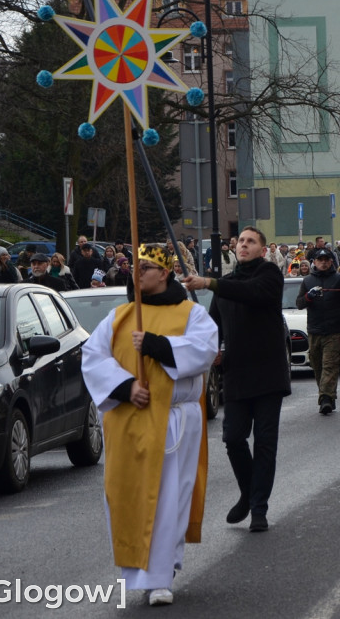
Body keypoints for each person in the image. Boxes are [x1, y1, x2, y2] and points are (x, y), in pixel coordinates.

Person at [82, 243, 218, 606]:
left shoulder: (191, 313)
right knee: (126, 493)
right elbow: (93, 357)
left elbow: (205, 350)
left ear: (166, 273)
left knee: (168, 495)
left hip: (174, 420)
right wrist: (126, 387)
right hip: (128, 419)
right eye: (135, 267)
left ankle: (160, 577)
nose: (137, 272)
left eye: (146, 267)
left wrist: (157, 345)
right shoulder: (120, 317)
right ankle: (139, 569)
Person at [183, 227, 291, 533]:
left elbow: (254, 293)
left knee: (266, 443)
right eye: (240, 241)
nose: (243, 245)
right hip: (237, 374)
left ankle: (259, 508)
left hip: (269, 374)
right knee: (232, 438)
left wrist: (209, 282)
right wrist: (211, 350)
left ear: (262, 248)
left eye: (250, 242)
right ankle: (248, 491)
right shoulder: (226, 286)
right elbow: (211, 328)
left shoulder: (270, 274)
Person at [295, 247, 340, 414]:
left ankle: (326, 397)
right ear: (315, 263)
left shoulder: (339, 278)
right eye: (320, 260)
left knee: (330, 365)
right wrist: (308, 297)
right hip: (314, 330)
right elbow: (299, 303)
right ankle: (326, 394)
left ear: (331, 262)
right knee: (317, 365)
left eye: (326, 260)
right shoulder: (307, 281)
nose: (323, 262)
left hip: (334, 331)